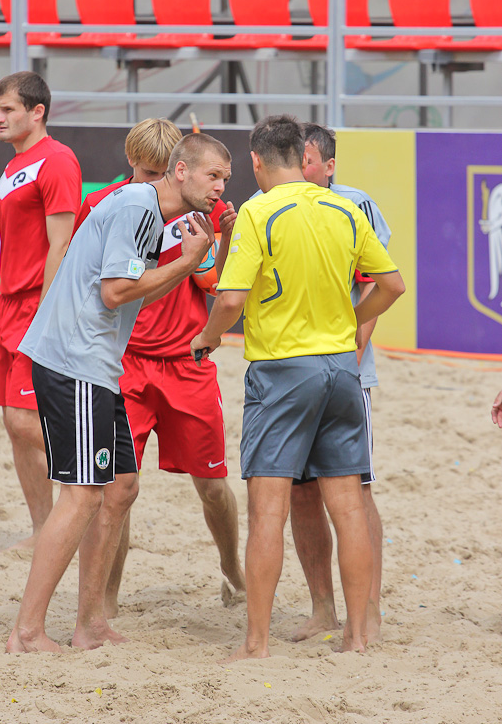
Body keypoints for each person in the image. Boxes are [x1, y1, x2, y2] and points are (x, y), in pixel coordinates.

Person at [7, 132, 232, 653]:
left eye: (225, 178)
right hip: (75, 362)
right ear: (180, 171)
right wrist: (186, 262)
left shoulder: (153, 212)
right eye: (213, 176)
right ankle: (27, 631)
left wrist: (198, 254)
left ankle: (91, 624)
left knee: (122, 486)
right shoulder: (136, 206)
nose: (221, 187)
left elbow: (158, 290)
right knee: (83, 494)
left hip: (97, 365)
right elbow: (115, 293)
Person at [191, 114, 405, 660]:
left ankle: (256, 644)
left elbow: (231, 298)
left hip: (283, 370)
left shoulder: (258, 211)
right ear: (301, 156)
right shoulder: (343, 208)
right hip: (341, 368)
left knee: (268, 511)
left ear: (257, 161)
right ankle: (358, 636)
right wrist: (353, 323)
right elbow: (392, 286)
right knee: (349, 508)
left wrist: (208, 338)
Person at [73, 119, 245, 619]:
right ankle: (105, 602)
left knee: (212, 486)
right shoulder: (105, 203)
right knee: (116, 490)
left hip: (185, 363)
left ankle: (232, 570)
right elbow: (87, 278)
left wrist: (225, 236)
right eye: (147, 173)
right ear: (133, 163)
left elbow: (214, 282)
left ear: (177, 170)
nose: (154, 183)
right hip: (123, 364)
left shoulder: (193, 210)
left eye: (160, 173)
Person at [290, 123, 391, 645]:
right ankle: (322, 608)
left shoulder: (355, 204)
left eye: (308, 159)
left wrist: (351, 353)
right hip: (292, 372)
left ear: (329, 166)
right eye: (296, 158)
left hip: (345, 370)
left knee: (356, 491)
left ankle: (367, 610)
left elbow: (375, 285)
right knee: (301, 493)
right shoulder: (273, 203)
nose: (301, 167)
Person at [0, 71, 81, 548]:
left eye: (8, 110)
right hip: (9, 307)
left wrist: (43, 315)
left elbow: (60, 245)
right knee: (13, 423)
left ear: (37, 111)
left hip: (36, 307)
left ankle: (94, 475)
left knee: (26, 420)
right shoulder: (13, 166)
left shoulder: (57, 160)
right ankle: (43, 529)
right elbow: (10, 249)